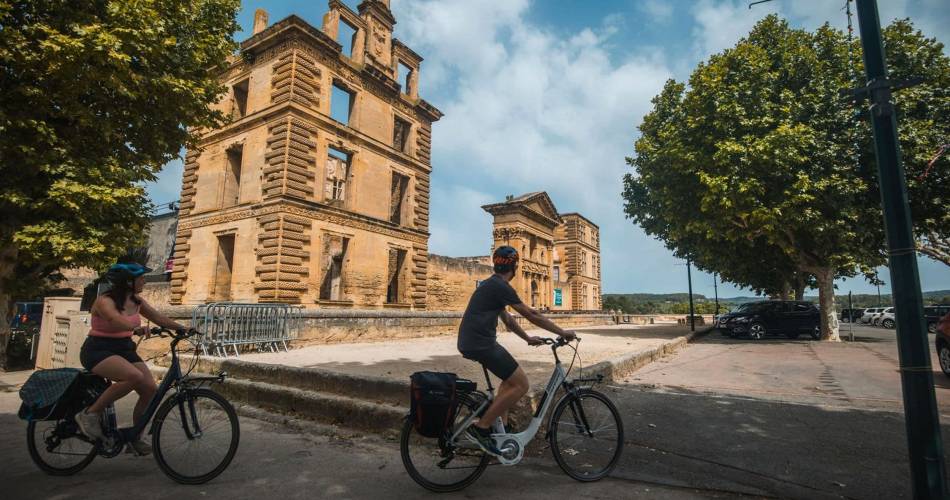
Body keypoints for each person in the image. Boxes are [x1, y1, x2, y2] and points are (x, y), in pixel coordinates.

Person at [458, 245, 576, 455]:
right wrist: (562, 331)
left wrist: (528, 338)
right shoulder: (500, 286)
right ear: (514, 266)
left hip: (474, 342)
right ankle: (482, 428)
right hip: (481, 344)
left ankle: (501, 429)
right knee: (522, 384)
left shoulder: (491, 285)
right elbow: (532, 313)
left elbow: (509, 320)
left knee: (509, 381)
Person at [75, 261, 187, 455]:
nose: (144, 281)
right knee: (133, 376)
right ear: (128, 281)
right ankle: (90, 414)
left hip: (124, 349)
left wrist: (184, 328)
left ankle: (135, 437)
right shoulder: (104, 300)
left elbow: (159, 318)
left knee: (150, 389)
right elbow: (114, 319)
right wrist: (134, 328)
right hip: (99, 349)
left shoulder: (137, 301)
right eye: (141, 278)